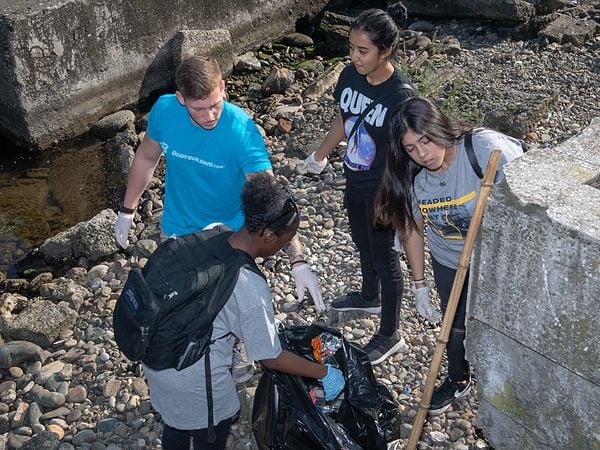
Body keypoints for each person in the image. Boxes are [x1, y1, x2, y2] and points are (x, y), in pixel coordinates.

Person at [143, 173, 345, 450]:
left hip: (156, 355)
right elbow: (270, 356)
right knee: (210, 432)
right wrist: (323, 373)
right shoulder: (246, 282)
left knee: (176, 425)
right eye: (285, 240)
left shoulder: (215, 232)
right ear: (267, 234)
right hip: (193, 379)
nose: (284, 247)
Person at [114, 55, 322, 309]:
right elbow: (146, 157)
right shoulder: (165, 111)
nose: (209, 116)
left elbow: (270, 201)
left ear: (222, 87)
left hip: (229, 240)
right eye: (198, 109)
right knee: (182, 309)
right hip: (177, 231)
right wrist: (127, 211)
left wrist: (297, 260)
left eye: (215, 105)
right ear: (181, 99)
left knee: (225, 310)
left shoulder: (241, 132)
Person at [374, 96, 524, 415]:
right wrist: (419, 285)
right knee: (453, 326)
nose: (422, 154)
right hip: (448, 258)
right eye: (412, 148)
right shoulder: (413, 173)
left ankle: (510, 385)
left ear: (438, 127)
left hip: (495, 260)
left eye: (425, 141)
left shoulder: (483, 149)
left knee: (502, 324)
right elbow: (412, 228)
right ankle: (458, 378)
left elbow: (528, 196)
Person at [303, 4, 414, 365]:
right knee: (361, 243)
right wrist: (320, 154)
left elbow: (408, 154)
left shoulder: (400, 97)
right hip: (354, 178)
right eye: (351, 48)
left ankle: (389, 334)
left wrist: (393, 199)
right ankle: (370, 296)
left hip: (384, 189)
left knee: (385, 257)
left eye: (362, 50)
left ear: (387, 51)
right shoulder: (350, 76)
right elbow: (345, 118)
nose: (353, 56)